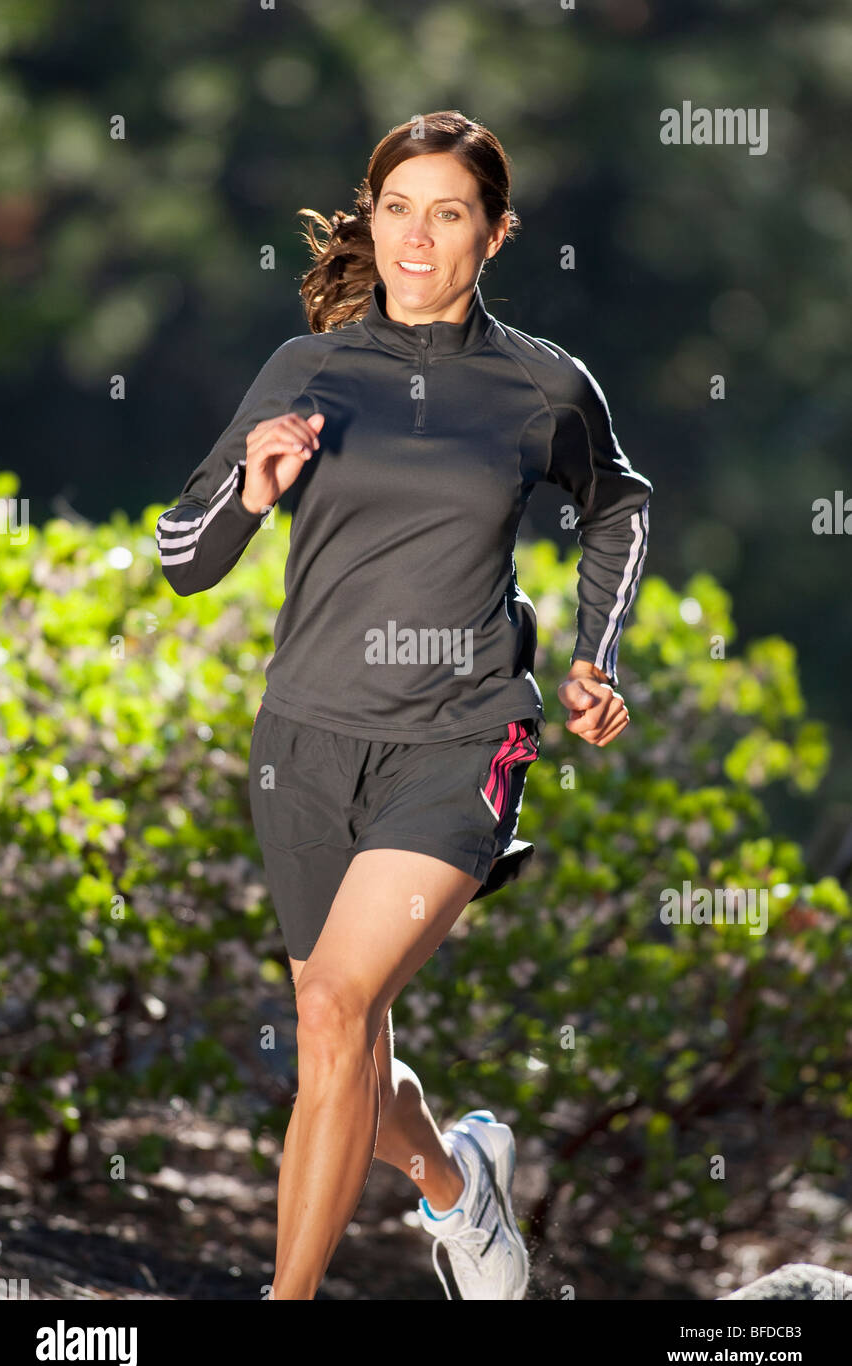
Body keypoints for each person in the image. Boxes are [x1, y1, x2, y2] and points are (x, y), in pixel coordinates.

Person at [155, 109, 652, 1301]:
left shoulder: (541, 385)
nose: (416, 238)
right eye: (395, 209)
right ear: (368, 218)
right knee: (346, 1047)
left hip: (462, 731)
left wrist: (596, 656)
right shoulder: (306, 368)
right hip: (307, 742)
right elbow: (181, 556)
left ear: (493, 232)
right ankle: (456, 1183)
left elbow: (617, 508)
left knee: (330, 1008)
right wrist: (250, 493)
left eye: (447, 213)